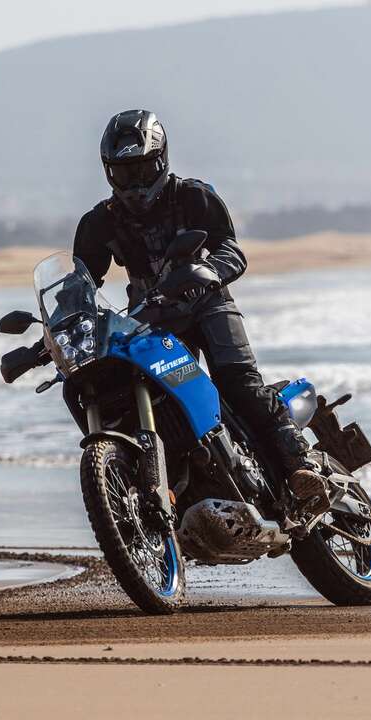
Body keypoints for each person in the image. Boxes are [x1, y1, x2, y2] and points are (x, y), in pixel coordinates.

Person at [72, 109, 329, 515]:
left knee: (238, 383)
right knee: (150, 398)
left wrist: (207, 273)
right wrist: (58, 328)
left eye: (143, 169)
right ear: (108, 172)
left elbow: (231, 249)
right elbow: (80, 283)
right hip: (150, 320)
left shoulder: (193, 196)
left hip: (208, 305)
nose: (135, 183)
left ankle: (301, 466)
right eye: (124, 173)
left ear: (161, 160)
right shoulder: (99, 222)